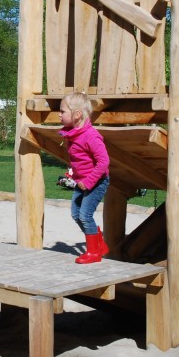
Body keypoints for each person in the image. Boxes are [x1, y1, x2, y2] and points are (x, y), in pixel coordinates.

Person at [59, 91, 110, 264]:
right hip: (82, 182)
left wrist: (88, 182)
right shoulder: (73, 133)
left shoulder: (91, 136)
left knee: (85, 215)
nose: (59, 115)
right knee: (76, 214)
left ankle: (94, 253)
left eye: (63, 111)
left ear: (77, 114)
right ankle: (99, 243)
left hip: (97, 181)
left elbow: (104, 162)